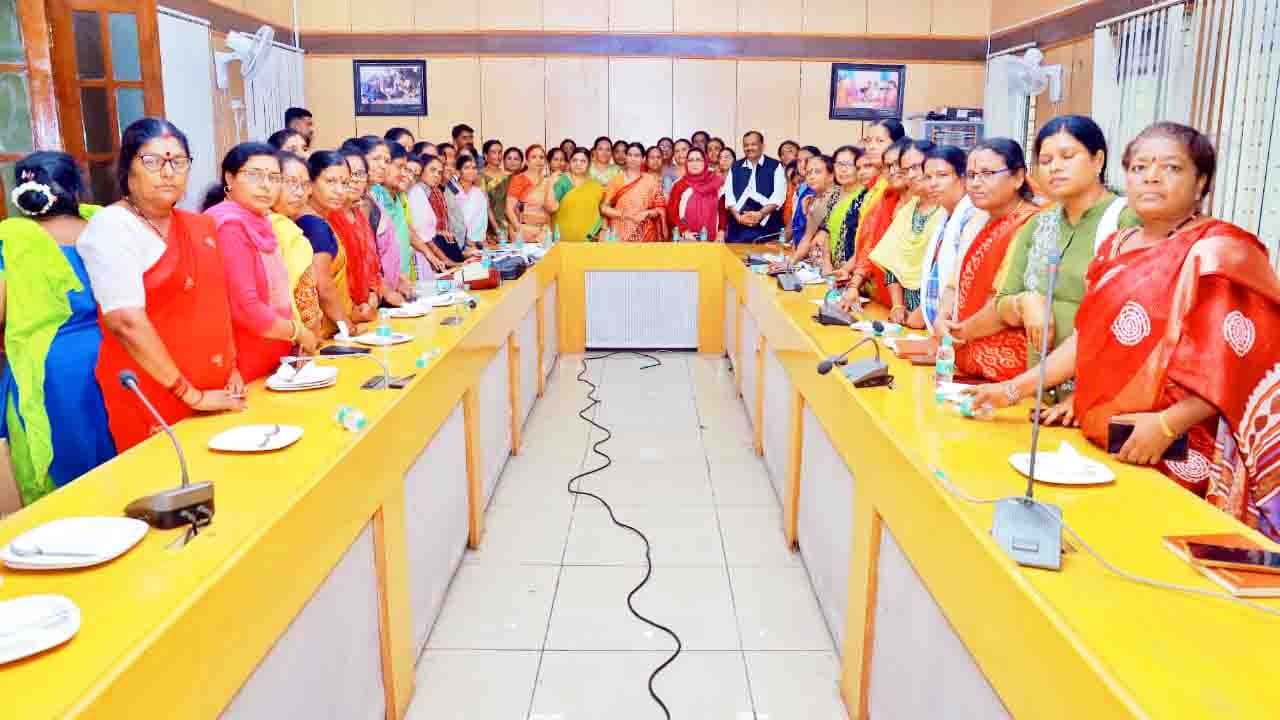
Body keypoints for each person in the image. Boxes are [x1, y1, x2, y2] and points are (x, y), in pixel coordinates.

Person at [968, 122, 1280, 541]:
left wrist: (1166, 425)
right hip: (1106, 438)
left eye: (1171, 167)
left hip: (1182, 447)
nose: (1151, 177)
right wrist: (1012, 389)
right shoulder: (1116, 245)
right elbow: (1086, 342)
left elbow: (1239, 364)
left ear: (1201, 181)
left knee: (1158, 552)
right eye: (1139, 167)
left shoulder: (1218, 253)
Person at [78, 118, 244, 452]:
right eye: (152, 161)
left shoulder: (200, 225)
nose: (168, 172)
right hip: (150, 390)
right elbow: (126, 322)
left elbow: (216, 303)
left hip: (217, 390)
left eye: (178, 161)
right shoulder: (112, 227)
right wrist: (191, 395)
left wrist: (231, 366)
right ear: (128, 168)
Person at [0, 152, 116, 504]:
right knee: (115, 455)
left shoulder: (14, 239)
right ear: (76, 187)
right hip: (115, 354)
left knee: (65, 472)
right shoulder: (106, 226)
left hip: (47, 368)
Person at [994, 115, 1138, 372]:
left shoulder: (1126, 220)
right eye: (1045, 161)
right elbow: (1002, 303)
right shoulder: (1038, 225)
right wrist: (1024, 302)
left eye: (1067, 156)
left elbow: (1135, 315)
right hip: (1038, 385)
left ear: (1098, 160)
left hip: (1100, 382)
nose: (1055, 167)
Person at [202, 143, 316, 381]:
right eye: (254, 175)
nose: (266, 185)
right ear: (230, 178)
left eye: (274, 177)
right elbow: (246, 308)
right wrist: (298, 332)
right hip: (242, 360)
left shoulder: (260, 220)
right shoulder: (230, 225)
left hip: (272, 352)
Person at [929, 138, 1040, 381]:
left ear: (1018, 177)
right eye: (971, 175)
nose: (976, 183)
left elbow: (1002, 302)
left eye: (987, 174)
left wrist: (958, 334)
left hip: (1007, 361)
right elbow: (954, 282)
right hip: (963, 347)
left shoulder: (1032, 225)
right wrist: (942, 318)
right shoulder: (976, 220)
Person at [868, 139, 949, 327]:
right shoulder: (907, 210)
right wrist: (897, 305)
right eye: (906, 170)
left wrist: (922, 314)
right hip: (906, 316)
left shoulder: (948, 210)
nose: (911, 175)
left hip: (939, 316)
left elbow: (947, 272)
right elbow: (892, 263)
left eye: (916, 167)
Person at [297, 152, 362, 338]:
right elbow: (323, 286)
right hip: (324, 333)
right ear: (310, 184)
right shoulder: (314, 225)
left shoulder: (319, 220)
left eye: (345, 183)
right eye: (330, 181)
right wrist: (347, 327)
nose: (340, 191)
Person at [844, 139, 910, 309]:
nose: (893, 171)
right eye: (888, 166)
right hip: (886, 294)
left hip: (915, 303)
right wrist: (854, 284)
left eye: (898, 164)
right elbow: (871, 245)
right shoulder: (887, 198)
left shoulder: (925, 206)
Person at [913, 145, 972, 331]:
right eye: (928, 177)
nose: (933, 184)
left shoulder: (972, 216)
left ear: (962, 177)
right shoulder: (945, 216)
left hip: (957, 327)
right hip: (939, 328)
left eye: (942, 175)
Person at [270, 152, 325, 340]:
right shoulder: (281, 228)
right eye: (291, 183)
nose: (300, 192)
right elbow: (302, 295)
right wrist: (310, 334)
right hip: (295, 337)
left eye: (304, 185)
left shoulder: (279, 224)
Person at [791, 145, 870, 274]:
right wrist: (827, 264)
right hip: (833, 271)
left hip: (855, 272)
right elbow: (825, 233)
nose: (843, 170)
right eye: (839, 164)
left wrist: (845, 271)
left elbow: (866, 244)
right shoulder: (835, 196)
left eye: (848, 164)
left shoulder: (866, 196)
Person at [332, 148, 382, 322]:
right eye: (349, 174)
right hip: (341, 317)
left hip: (367, 311)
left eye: (359, 174)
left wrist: (374, 294)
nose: (354, 180)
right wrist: (351, 311)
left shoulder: (360, 215)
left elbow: (373, 265)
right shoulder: (329, 217)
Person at [368, 141, 413, 302]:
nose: (403, 174)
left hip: (398, 281)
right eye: (399, 167)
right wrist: (386, 290)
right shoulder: (375, 195)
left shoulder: (396, 195)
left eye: (386, 161)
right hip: (380, 289)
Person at [724, 131, 787, 244]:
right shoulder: (735, 166)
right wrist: (738, 217)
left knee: (766, 254)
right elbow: (729, 196)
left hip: (768, 225)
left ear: (762, 146)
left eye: (753, 144)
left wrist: (761, 214)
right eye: (746, 145)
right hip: (739, 226)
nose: (749, 148)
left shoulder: (775, 165)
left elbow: (779, 196)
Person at [411, 154, 473, 264]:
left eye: (439, 172)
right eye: (432, 170)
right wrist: (445, 260)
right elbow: (421, 233)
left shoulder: (437, 190)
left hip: (441, 248)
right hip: (426, 253)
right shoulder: (417, 191)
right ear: (421, 171)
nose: (436, 175)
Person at [601, 142, 667, 242]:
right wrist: (625, 215)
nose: (632, 158)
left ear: (643, 159)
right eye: (630, 155)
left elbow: (660, 209)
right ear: (626, 157)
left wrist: (646, 213)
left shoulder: (651, 180)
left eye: (637, 155)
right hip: (619, 232)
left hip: (645, 232)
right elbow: (604, 208)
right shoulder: (616, 180)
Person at [784, 155, 839, 267]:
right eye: (809, 173)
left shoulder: (840, 198)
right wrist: (790, 263)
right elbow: (807, 238)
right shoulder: (814, 200)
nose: (811, 177)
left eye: (817, 172)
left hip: (836, 266)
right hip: (817, 263)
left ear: (831, 175)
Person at [544, 148, 605, 242]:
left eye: (583, 161)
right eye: (574, 160)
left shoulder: (596, 185)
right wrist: (551, 183)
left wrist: (602, 230)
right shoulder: (563, 181)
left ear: (589, 164)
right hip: (562, 238)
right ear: (569, 162)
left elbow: (600, 212)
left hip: (589, 239)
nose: (578, 164)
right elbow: (551, 208)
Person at [666, 148, 725, 242]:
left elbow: (723, 211)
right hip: (687, 239)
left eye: (698, 160)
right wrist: (684, 231)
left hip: (715, 239)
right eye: (691, 160)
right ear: (686, 163)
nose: (694, 163)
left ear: (705, 162)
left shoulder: (717, 182)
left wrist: (721, 232)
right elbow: (672, 213)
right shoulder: (679, 185)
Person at [506, 144, 552, 243]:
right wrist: (519, 230)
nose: (538, 160)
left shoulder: (547, 181)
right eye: (534, 157)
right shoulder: (519, 179)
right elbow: (509, 209)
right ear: (527, 161)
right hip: (522, 231)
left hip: (542, 232)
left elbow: (550, 209)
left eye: (541, 157)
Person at [453, 153, 489, 246]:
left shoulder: (480, 193)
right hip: (457, 242)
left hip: (478, 243)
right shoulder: (452, 191)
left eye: (474, 168)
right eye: (467, 168)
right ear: (458, 171)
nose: (471, 171)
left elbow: (482, 222)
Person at [480, 140, 509, 240]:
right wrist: (497, 230)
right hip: (489, 226)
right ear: (485, 155)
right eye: (493, 152)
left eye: (500, 152)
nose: (498, 156)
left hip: (508, 224)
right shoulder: (480, 176)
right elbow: (486, 206)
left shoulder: (508, 175)